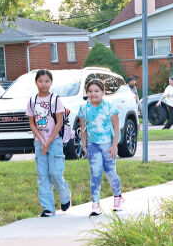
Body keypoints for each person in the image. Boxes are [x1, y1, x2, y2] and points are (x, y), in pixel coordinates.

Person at [26, 69, 71, 217]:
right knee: (43, 175)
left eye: (47, 81)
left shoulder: (55, 99)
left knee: (55, 172)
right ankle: (48, 208)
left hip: (55, 140)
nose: (43, 84)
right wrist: (40, 140)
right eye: (40, 81)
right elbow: (32, 123)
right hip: (39, 142)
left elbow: (59, 122)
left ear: (51, 82)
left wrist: (49, 141)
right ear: (35, 82)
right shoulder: (32, 101)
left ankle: (65, 196)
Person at [78, 79, 124, 216]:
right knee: (95, 173)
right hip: (93, 145)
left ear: (103, 92)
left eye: (96, 91)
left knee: (110, 172)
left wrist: (114, 146)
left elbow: (116, 128)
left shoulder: (110, 107)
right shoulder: (84, 108)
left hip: (108, 144)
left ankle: (118, 197)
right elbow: (83, 128)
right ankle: (95, 203)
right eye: (90, 91)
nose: (93, 94)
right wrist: (84, 145)